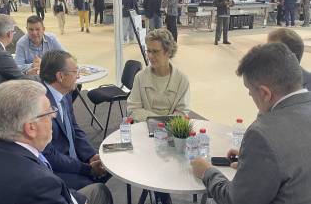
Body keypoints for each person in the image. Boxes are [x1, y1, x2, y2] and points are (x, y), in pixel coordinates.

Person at [192, 42, 311, 204]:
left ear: (264, 93)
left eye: (250, 92)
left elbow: (235, 200)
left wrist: (207, 172)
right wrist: (256, 162)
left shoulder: (263, 134)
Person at [0, 80, 113, 204]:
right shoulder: (38, 182)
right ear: (31, 128)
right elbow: (42, 186)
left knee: (98, 190)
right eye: (49, 112)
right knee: (100, 191)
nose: (54, 116)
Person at [39, 50, 111, 190]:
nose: (78, 76)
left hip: (74, 159)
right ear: (60, 76)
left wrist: (91, 155)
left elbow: (74, 128)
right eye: (75, 72)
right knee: (96, 188)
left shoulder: (65, 94)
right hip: (56, 170)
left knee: (111, 165)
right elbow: (49, 155)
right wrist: (87, 169)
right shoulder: (41, 105)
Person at [127, 29, 190, 122]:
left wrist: (153, 119)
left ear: (168, 52)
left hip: (171, 131)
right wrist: (161, 120)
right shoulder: (140, 77)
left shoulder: (182, 80)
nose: (150, 56)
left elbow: (182, 113)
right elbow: (133, 110)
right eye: (148, 51)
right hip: (144, 130)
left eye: (155, 51)